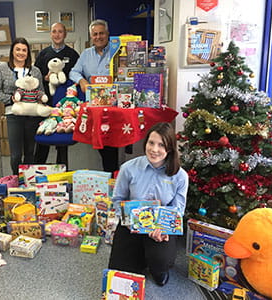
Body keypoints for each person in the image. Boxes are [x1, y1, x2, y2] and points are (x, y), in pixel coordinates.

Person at [108, 122, 189, 286]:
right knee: (118, 273)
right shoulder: (129, 168)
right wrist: (131, 223)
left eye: (161, 145)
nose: (154, 149)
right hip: (131, 223)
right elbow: (118, 200)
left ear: (170, 149)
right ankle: (139, 258)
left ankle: (158, 268)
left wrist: (163, 228)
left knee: (160, 260)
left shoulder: (180, 176)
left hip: (160, 228)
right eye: (151, 143)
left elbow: (177, 210)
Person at [69, 19, 118, 173]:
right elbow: (73, 71)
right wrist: (82, 80)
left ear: (107, 34)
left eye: (101, 33)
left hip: (114, 105)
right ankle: (110, 172)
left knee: (111, 141)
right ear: (91, 36)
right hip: (95, 106)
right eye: (95, 34)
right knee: (101, 141)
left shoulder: (118, 51)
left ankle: (111, 173)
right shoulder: (86, 54)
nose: (98, 37)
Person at [0, 37, 46, 174]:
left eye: (24, 50)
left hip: (32, 115)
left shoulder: (35, 71)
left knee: (30, 152)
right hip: (13, 114)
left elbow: (41, 92)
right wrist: (10, 99)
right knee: (16, 154)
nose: (21, 53)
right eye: (18, 49)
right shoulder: (1, 69)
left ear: (28, 53)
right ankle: (17, 179)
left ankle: (28, 181)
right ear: (12, 51)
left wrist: (39, 99)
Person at [34, 22, 79, 164]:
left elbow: (77, 75)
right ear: (51, 34)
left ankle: (62, 169)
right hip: (46, 100)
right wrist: (45, 78)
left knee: (62, 137)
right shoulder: (43, 54)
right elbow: (35, 76)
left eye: (60, 31)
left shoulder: (72, 54)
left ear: (65, 34)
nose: (57, 34)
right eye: (54, 31)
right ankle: (38, 168)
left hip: (65, 102)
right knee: (44, 135)